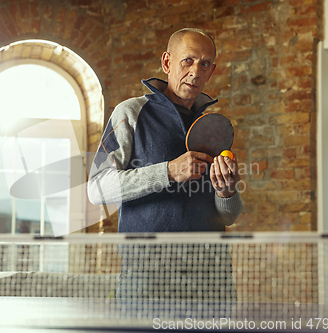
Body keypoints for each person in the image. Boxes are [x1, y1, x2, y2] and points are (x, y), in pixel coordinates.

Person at [88, 28, 244, 300]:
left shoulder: (212, 129)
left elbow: (228, 216)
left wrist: (226, 192)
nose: (196, 71)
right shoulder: (130, 113)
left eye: (205, 64)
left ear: (211, 71)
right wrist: (168, 171)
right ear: (167, 62)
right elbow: (96, 190)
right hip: (147, 280)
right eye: (188, 60)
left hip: (212, 280)